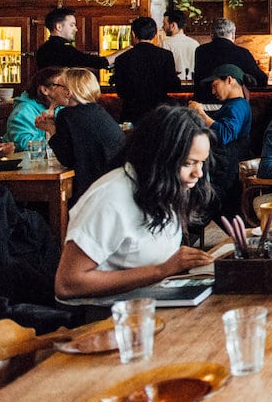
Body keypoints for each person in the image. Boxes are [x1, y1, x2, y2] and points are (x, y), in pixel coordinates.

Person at [54, 106, 215, 299]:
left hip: (154, 301)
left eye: (202, 163)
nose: (198, 173)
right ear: (159, 157)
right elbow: (68, 283)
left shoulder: (162, 187)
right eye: (188, 163)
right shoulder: (111, 197)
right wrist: (161, 270)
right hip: (107, 316)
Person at [36, 68, 125, 202]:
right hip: (114, 183)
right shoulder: (98, 110)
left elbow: (66, 158)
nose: (54, 90)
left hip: (91, 189)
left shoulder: (66, 115)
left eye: (58, 86)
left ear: (68, 92)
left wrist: (50, 129)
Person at [188, 64, 252, 221]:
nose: (213, 91)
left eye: (215, 85)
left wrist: (200, 113)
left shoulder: (238, 106)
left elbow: (224, 134)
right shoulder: (234, 105)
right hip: (223, 169)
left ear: (229, 80)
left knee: (213, 208)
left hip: (226, 172)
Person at [111, 16, 181, 122]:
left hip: (132, 114)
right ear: (155, 34)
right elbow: (173, 85)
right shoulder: (165, 55)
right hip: (160, 114)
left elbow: (121, 92)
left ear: (133, 34)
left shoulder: (122, 58)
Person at [192, 18, 267, 102]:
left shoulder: (201, 51)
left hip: (204, 102)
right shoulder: (242, 53)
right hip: (233, 104)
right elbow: (262, 80)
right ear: (233, 34)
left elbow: (198, 79)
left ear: (212, 35)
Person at [35, 7, 124, 70]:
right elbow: (100, 63)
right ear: (58, 27)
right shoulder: (63, 50)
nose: (76, 29)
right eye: (72, 25)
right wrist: (127, 49)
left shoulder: (43, 49)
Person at [3, 66, 67, 151]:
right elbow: (25, 145)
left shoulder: (61, 109)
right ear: (45, 90)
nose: (68, 90)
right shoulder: (23, 111)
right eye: (63, 86)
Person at [161, 8, 200, 81]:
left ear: (173, 25)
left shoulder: (166, 44)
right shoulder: (195, 44)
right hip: (192, 85)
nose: (163, 27)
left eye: (165, 24)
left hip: (173, 86)